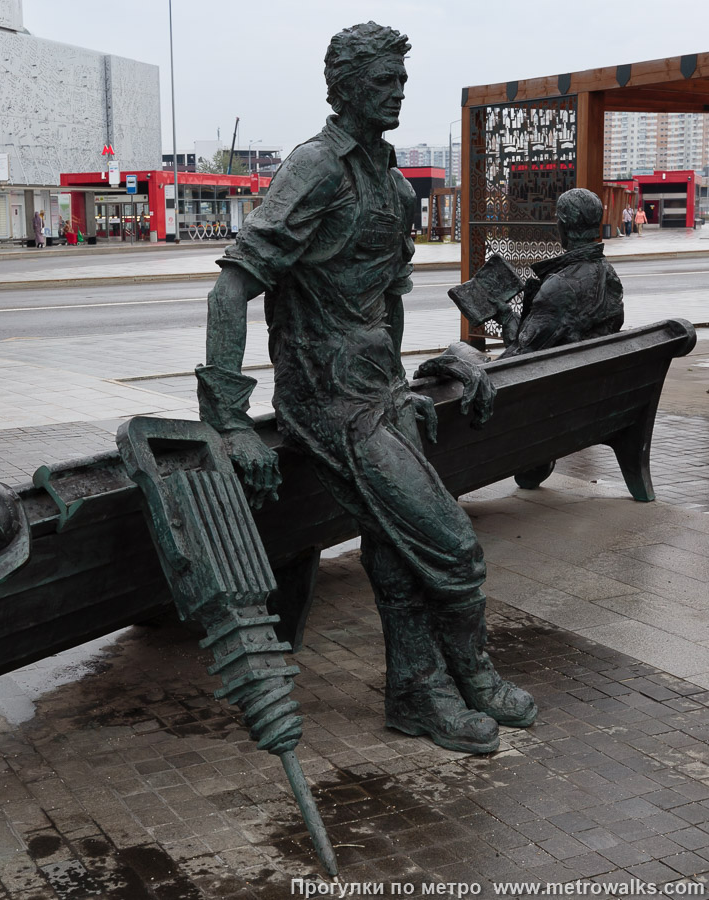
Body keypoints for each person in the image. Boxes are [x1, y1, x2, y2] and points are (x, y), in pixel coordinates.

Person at [197, 21, 536, 755]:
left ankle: (424, 690)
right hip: (325, 403)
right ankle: (460, 676)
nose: (399, 93)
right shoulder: (315, 169)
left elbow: (385, 299)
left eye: (402, 81)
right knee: (451, 550)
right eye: (385, 82)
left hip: (379, 396)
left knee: (395, 545)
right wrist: (226, 415)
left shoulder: (392, 185)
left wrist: (416, 372)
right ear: (346, 87)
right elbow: (231, 291)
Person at [498, 188, 624, 359]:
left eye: (557, 218)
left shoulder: (560, 286)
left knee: (457, 353)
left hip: (551, 378)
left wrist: (505, 317)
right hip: (587, 368)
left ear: (563, 225)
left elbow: (520, 355)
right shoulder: (608, 272)